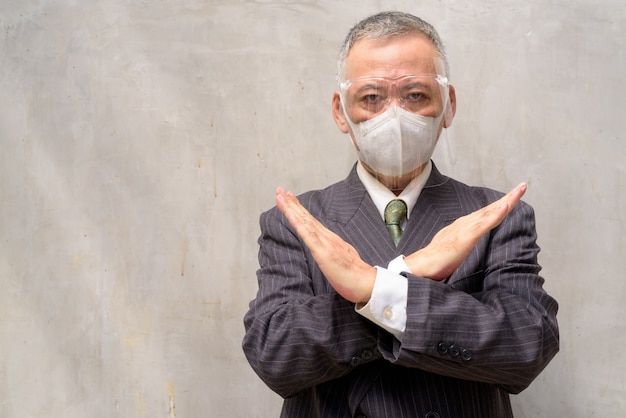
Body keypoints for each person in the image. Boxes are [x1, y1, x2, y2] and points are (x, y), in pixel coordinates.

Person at [242, 11, 559, 418]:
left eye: (415, 96)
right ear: (341, 111)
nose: (394, 116)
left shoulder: (496, 217)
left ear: (448, 106)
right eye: (371, 97)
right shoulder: (298, 222)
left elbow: (528, 344)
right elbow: (275, 356)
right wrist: (400, 279)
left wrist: (373, 288)